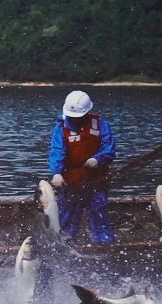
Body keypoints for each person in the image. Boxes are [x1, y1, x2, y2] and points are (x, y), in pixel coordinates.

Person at [48, 90, 116, 244]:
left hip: (96, 180)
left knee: (99, 211)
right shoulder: (60, 129)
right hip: (71, 182)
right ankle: (65, 245)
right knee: (67, 215)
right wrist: (57, 173)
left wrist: (97, 159)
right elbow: (57, 152)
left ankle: (103, 244)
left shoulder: (101, 125)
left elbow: (109, 148)